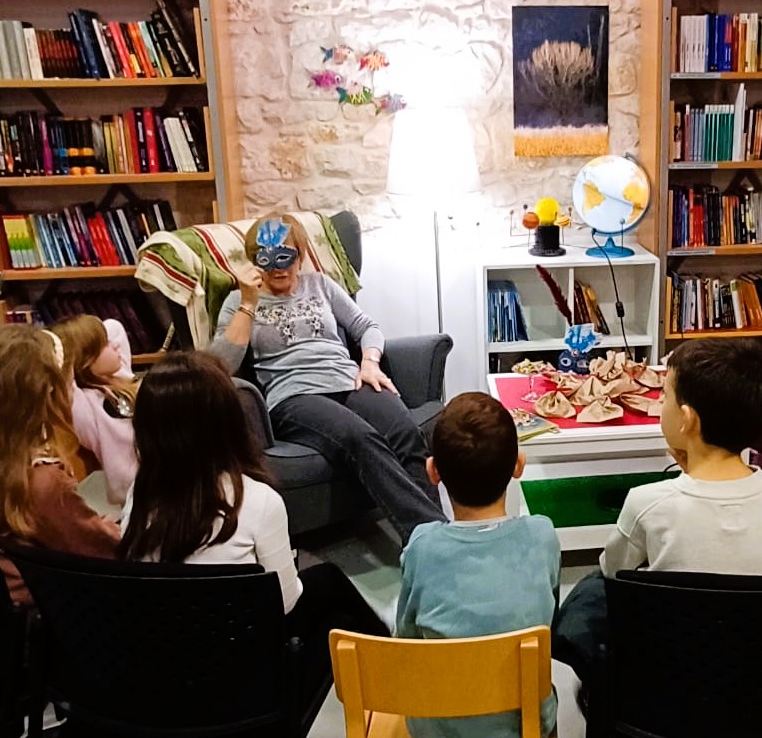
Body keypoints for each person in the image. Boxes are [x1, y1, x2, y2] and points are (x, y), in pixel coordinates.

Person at [120, 351, 388, 702]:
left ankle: (390, 655)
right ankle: (398, 664)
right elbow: (287, 603)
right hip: (250, 686)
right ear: (227, 422)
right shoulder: (257, 501)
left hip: (170, 676)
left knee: (327, 582)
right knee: (335, 605)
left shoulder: (139, 496)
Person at [552, 338, 762, 697]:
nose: (660, 402)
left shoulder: (648, 502)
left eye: (665, 395)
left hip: (669, 682)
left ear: (687, 419)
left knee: (592, 588)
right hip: (757, 674)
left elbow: (613, 571)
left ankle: (598, 693)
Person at [209, 215, 445, 543]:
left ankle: (436, 538)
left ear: (301, 255)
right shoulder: (238, 301)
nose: (278, 267)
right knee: (362, 438)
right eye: (266, 257)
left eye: (286, 256)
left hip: (347, 380)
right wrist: (248, 303)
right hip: (294, 396)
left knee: (404, 430)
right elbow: (221, 365)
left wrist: (369, 363)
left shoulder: (320, 284)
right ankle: (432, 541)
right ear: (254, 260)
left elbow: (367, 327)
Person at [396, 392, 560, 738]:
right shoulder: (542, 535)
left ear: (433, 471)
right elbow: (548, 613)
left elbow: (407, 640)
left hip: (437, 728)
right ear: (518, 465)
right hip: (525, 723)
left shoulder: (422, 547)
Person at [0, 326, 119, 605]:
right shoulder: (41, 481)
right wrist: (109, 529)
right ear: (48, 393)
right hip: (42, 614)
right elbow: (104, 555)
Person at [51, 315, 139, 506]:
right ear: (85, 360)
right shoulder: (84, 405)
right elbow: (61, 378)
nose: (116, 345)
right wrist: (65, 347)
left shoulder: (119, 377)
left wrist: (90, 332)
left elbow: (114, 326)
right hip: (136, 491)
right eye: (105, 344)